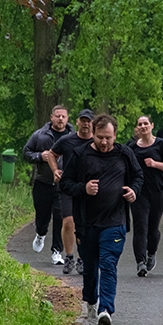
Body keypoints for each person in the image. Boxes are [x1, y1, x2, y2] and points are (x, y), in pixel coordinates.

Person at [59, 114, 143, 325]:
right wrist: (83, 189)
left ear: (115, 135)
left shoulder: (125, 153)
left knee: (108, 263)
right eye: (99, 138)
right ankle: (91, 302)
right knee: (90, 270)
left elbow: (138, 176)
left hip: (115, 221)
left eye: (108, 138)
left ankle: (106, 309)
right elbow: (65, 184)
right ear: (93, 134)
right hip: (87, 223)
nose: (104, 142)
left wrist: (134, 191)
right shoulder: (80, 154)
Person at [23, 105, 74, 265]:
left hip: (64, 185)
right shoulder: (40, 135)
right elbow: (26, 152)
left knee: (61, 218)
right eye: (57, 116)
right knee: (42, 215)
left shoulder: (73, 136)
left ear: (67, 118)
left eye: (63, 116)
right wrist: (39, 156)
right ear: (51, 117)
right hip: (43, 181)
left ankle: (57, 251)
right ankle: (40, 234)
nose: (60, 119)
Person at [47, 109, 95, 275]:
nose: (86, 124)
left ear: (93, 123)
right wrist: (55, 170)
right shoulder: (67, 140)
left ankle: (82, 258)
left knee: (84, 225)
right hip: (68, 186)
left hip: (87, 189)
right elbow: (51, 154)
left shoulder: (96, 142)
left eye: (89, 121)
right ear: (77, 122)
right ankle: (69, 256)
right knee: (68, 221)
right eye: (83, 120)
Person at [129, 115, 163, 276]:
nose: (143, 126)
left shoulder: (161, 144)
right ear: (137, 128)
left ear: (151, 125)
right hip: (139, 193)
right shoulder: (132, 147)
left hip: (158, 191)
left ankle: (151, 253)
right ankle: (140, 263)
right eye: (140, 124)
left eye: (145, 123)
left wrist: (155, 164)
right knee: (140, 227)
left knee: (152, 229)